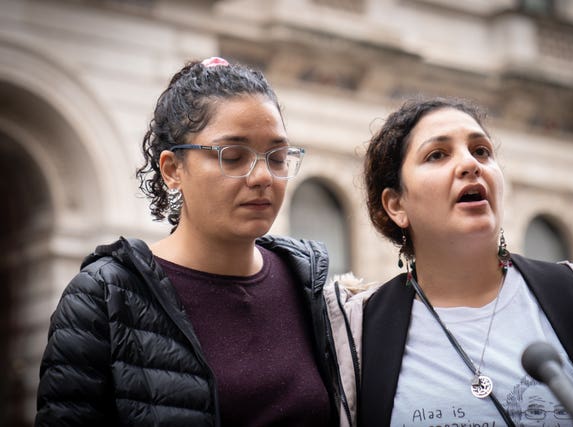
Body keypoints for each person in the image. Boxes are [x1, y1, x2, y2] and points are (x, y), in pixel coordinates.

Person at [35, 57, 356, 426]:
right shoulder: (104, 295)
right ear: (173, 170)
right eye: (233, 157)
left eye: (278, 157)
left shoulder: (311, 290)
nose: (263, 176)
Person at [352, 97, 573, 426]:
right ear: (395, 205)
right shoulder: (356, 332)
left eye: (482, 151)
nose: (470, 164)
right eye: (437, 155)